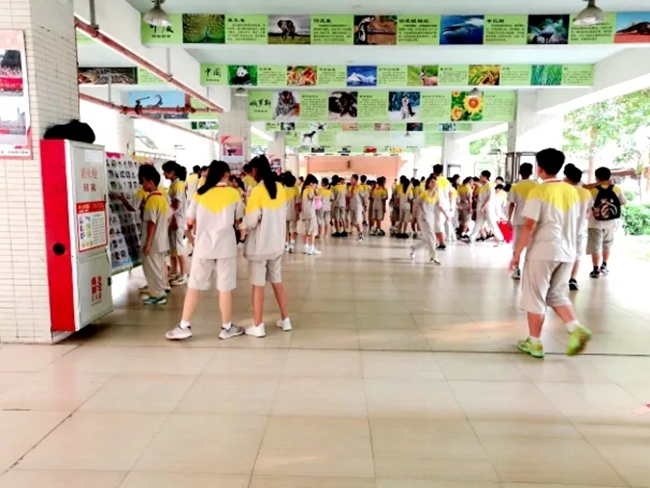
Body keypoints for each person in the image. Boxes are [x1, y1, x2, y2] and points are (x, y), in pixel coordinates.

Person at [510, 148, 591, 359]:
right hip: (568, 252)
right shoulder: (573, 191)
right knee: (556, 294)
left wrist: (516, 254)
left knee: (535, 296)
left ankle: (535, 342)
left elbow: (529, 225)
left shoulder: (540, 191)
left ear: (540, 167)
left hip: (543, 251)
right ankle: (575, 327)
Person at [165, 161, 244, 341]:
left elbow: (189, 222)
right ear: (225, 174)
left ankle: (184, 325)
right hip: (226, 247)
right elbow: (239, 220)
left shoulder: (199, 194)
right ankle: (226, 327)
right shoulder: (233, 193)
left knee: (195, 286)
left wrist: (194, 238)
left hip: (203, 247)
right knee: (225, 287)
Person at [243, 156, 292, 337]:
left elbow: (250, 221)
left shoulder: (257, 191)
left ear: (256, 170)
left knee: (258, 285)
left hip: (260, 247)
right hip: (277, 244)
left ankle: (258, 325)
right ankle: (286, 320)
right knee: (277, 282)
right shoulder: (280, 188)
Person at [139, 165, 171, 305]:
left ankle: (158, 295)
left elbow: (151, 223)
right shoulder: (161, 198)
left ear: (150, 182)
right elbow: (169, 216)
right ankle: (159, 292)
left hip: (153, 242)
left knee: (152, 269)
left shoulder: (151, 200)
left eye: (143, 182)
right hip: (162, 240)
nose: (142, 185)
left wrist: (148, 243)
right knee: (158, 268)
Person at [586, 167, 626, 279]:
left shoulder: (592, 190)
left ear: (596, 177)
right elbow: (623, 202)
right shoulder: (616, 189)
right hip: (611, 223)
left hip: (595, 223)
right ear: (609, 177)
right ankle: (604, 265)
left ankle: (595, 270)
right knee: (607, 245)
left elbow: (588, 205)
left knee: (595, 246)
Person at [507, 163, 539, 279]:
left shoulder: (515, 187)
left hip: (519, 220)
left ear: (519, 172)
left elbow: (512, 204)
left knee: (517, 246)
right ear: (531, 172)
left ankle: (516, 270)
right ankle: (531, 270)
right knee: (533, 246)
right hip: (535, 220)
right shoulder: (537, 186)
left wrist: (509, 219)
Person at [563, 164, 592, 291]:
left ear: (568, 178)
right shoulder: (586, 192)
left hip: (562, 229)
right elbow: (588, 211)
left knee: (561, 253)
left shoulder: (564, 191)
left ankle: (558, 279)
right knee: (577, 255)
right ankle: (573, 279)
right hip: (579, 229)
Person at [162, 161, 189, 286]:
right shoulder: (174, 184)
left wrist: (170, 215)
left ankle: (184, 274)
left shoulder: (178, 185)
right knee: (173, 248)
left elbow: (176, 204)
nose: (164, 174)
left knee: (178, 248)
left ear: (172, 172)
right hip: (173, 219)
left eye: (165, 172)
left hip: (177, 220)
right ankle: (174, 271)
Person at [410, 175, 444, 265]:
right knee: (432, 237)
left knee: (427, 239)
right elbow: (415, 204)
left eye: (435, 182)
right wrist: (413, 217)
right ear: (428, 184)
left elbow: (439, 205)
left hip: (431, 217)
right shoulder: (424, 193)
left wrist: (446, 214)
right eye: (432, 182)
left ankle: (414, 248)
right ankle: (433, 256)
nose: (434, 183)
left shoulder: (436, 194)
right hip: (423, 217)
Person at [465, 170, 504, 245]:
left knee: (492, 223)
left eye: (481, 176)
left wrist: (483, 207)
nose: (479, 177)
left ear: (485, 177)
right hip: (481, 208)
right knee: (478, 223)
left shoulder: (489, 185)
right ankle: (471, 238)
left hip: (487, 208)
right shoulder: (483, 186)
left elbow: (490, 197)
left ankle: (500, 239)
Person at [432, 164, 452, 250]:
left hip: (438, 204)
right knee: (441, 224)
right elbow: (450, 193)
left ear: (433, 171)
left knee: (438, 224)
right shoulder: (446, 181)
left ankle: (442, 243)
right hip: (446, 203)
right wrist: (450, 204)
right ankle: (437, 241)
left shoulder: (435, 181)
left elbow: (436, 195)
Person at [300, 174, 321, 255]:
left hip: (304, 213)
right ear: (312, 183)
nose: (316, 186)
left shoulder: (304, 190)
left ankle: (306, 248)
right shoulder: (310, 189)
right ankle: (311, 248)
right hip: (311, 213)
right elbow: (313, 197)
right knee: (313, 230)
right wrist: (319, 195)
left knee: (305, 231)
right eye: (315, 184)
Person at [282, 172, 299, 253]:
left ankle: (286, 244)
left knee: (285, 229)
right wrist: (298, 213)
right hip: (292, 212)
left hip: (283, 213)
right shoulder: (295, 191)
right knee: (293, 229)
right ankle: (292, 245)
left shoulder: (282, 190)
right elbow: (297, 204)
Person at [348, 174, 366, 241]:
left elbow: (363, 196)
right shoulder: (350, 188)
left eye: (352, 179)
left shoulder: (359, 187)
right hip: (351, 205)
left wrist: (364, 205)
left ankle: (361, 236)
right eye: (351, 179)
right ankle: (360, 231)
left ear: (355, 180)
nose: (351, 180)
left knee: (359, 220)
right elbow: (348, 197)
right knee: (353, 221)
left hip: (358, 206)